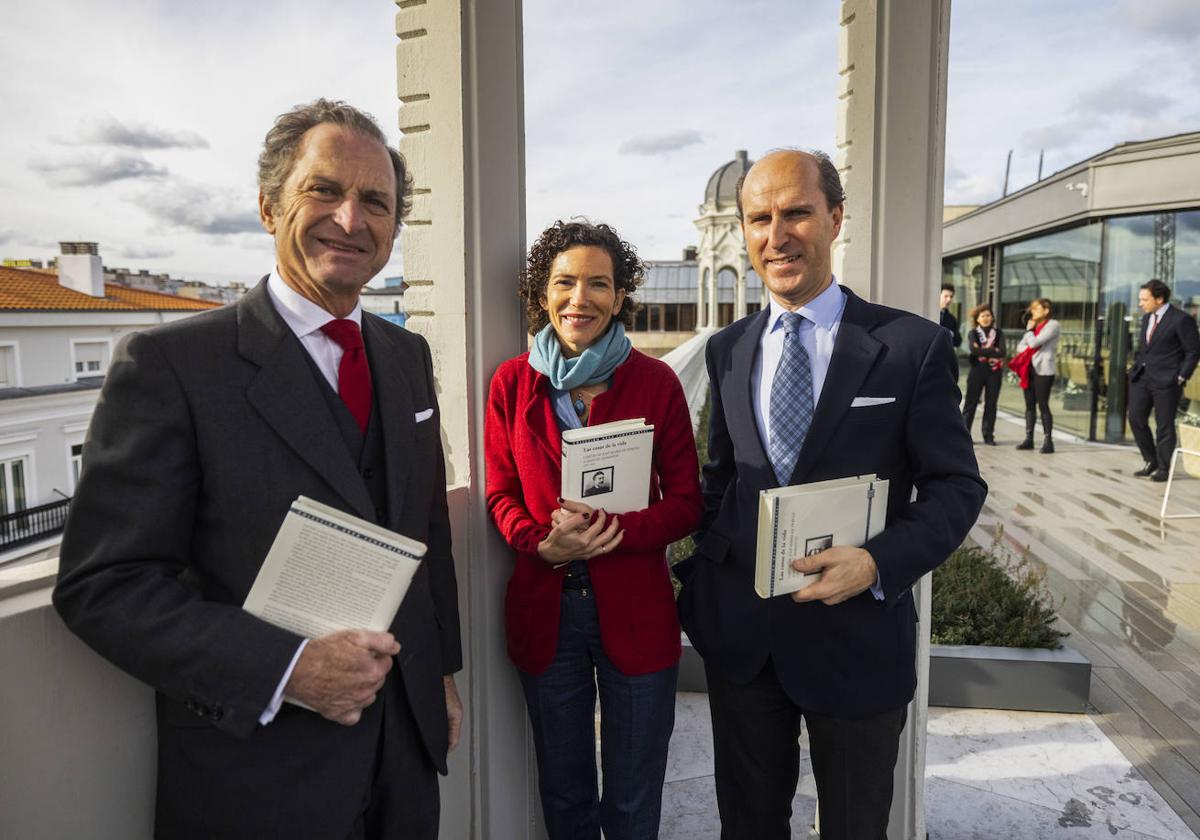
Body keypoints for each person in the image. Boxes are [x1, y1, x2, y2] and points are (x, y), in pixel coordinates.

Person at [52, 99, 463, 839]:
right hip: (260, 781)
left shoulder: (407, 358)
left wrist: (437, 678)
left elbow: (423, 526)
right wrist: (286, 668)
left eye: (376, 202)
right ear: (270, 206)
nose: (351, 218)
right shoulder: (173, 366)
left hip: (402, 755)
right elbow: (103, 585)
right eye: (324, 190)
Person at [674, 149, 986, 840]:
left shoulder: (909, 346)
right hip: (745, 644)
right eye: (759, 218)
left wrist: (877, 564)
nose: (776, 235)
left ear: (836, 218)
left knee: (854, 826)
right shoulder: (728, 349)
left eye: (797, 214)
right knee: (749, 825)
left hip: (857, 638)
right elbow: (723, 478)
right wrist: (703, 578)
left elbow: (956, 486)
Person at [485, 220, 702, 840]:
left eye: (598, 284)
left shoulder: (655, 383)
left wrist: (612, 532)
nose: (580, 299)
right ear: (541, 292)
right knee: (565, 791)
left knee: (634, 799)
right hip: (545, 613)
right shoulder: (510, 383)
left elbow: (687, 503)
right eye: (564, 283)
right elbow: (500, 494)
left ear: (620, 294)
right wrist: (539, 543)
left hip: (636, 611)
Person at [1128, 279, 1200, 481]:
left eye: (1144, 299)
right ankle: (1151, 459)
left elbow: (1193, 351)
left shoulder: (1181, 320)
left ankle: (1164, 468)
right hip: (1142, 378)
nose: (1140, 303)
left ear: (1159, 299)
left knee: (1164, 425)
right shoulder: (1146, 319)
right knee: (1135, 418)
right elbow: (1146, 348)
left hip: (1168, 381)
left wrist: (1181, 376)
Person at [1010, 298, 1060, 453]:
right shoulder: (1033, 327)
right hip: (1028, 369)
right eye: (1032, 309)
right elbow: (1020, 346)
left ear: (1046, 310)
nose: (1033, 312)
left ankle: (1048, 441)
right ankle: (1029, 438)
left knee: (1043, 404)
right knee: (1029, 404)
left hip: (1044, 370)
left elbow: (1033, 343)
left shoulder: (1053, 325)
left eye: (1036, 309)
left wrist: (1029, 332)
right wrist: (1030, 334)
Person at [962, 302, 1006, 445]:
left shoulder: (999, 334)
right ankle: (964, 434)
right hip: (977, 370)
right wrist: (993, 350)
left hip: (994, 372)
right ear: (977, 319)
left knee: (991, 404)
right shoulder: (973, 333)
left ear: (992, 318)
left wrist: (984, 351)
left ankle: (988, 435)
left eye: (988, 315)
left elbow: (1003, 352)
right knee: (970, 403)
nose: (986, 318)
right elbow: (974, 351)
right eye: (983, 316)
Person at [939, 283, 963, 383]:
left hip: (945, 359)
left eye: (951, 297)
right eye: (946, 296)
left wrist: (950, 335)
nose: (949, 299)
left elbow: (958, 340)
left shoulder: (951, 319)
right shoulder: (929, 313)